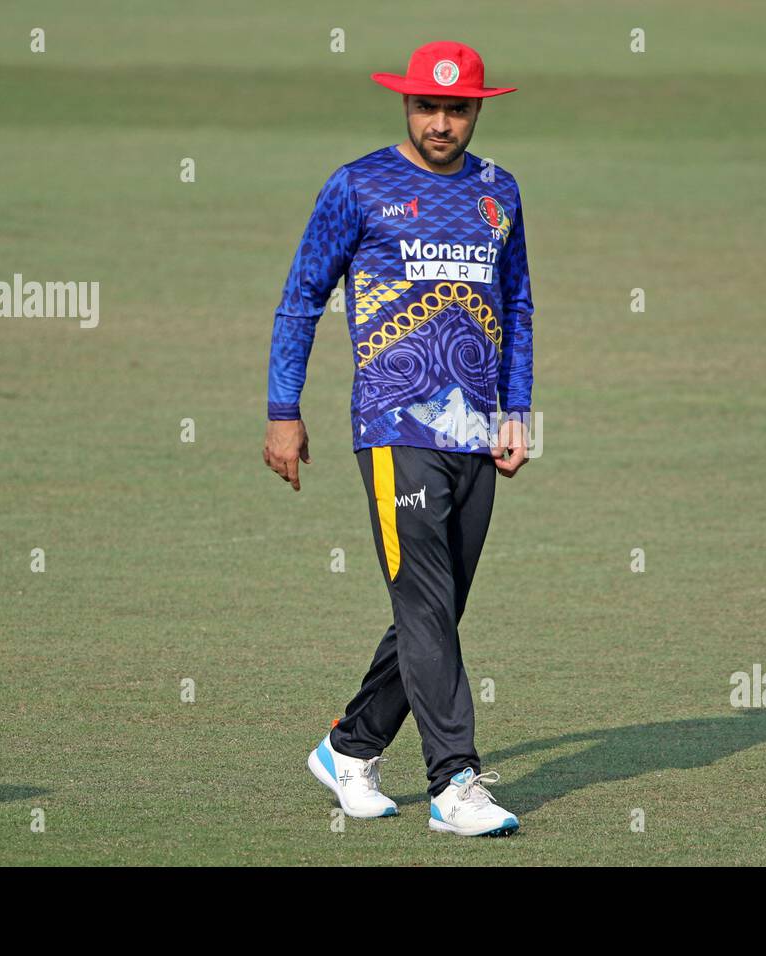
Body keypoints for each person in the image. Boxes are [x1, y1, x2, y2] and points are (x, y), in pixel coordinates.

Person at [263, 40, 534, 837]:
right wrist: (285, 410)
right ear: (406, 105)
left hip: (477, 430)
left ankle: (350, 748)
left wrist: (518, 410)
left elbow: (516, 306)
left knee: (436, 609)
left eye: (457, 108)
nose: (442, 121)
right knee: (424, 601)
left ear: (478, 107)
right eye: (428, 106)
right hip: (392, 426)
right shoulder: (359, 186)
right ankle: (456, 784)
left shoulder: (499, 192)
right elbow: (301, 297)